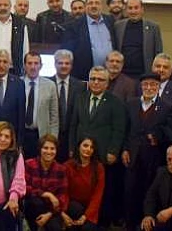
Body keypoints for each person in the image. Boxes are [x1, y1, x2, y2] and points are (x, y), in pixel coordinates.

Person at [68, 66, 125, 226]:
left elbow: (119, 129)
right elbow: (73, 125)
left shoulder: (115, 102)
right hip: (81, 154)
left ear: (107, 83)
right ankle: (83, 219)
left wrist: (113, 151)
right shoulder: (80, 98)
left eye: (100, 79)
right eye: (92, 79)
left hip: (103, 153)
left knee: (103, 191)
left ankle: (101, 223)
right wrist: (72, 148)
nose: (96, 82)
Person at [123, 73, 172, 229]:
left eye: (153, 84)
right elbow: (125, 129)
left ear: (158, 87)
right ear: (141, 86)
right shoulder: (131, 104)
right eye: (145, 84)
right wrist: (125, 149)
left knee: (149, 191)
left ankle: (146, 224)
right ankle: (130, 224)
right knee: (130, 192)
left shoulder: (166, 106)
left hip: (153, 158)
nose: (149, 87)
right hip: (132, 156)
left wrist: (158, 137)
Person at [62, 0, 117, 81]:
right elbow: (68, 52)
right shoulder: (74, 26)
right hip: (85, 75)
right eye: (90, 3)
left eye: (97, 3)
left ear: (101, 6)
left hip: (110, 74)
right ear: (86, 6)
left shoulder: (110, 21)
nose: (94, 6)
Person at [23, 134, 68, 231]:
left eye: (52, 149)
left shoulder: (61, 169)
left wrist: (49, 214)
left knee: (55, 228)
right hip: (32, 208)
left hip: (51, 210)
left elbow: (62, 195)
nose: (49, 152)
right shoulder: (29, 164)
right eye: (45, 148)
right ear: (40, 149)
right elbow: (24, 188)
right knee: (36, 202)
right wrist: (46, 194)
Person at [50, 49, 87, 162]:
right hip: (51, 135)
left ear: (71, 65)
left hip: (72, 136)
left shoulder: (80, 86)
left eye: (67, 63)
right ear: (55, 64)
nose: (63, 66)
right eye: (60, 63)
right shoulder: (46, 83)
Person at [21, 52, 59, 159]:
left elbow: (54, 117)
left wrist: (53, 140)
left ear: (41, 66)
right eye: (29, 63)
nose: (33, 67)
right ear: (24, 66)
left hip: (41, 135)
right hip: (21, 134)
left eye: (36, 63)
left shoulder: (50, 85)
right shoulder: (17, 83)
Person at [114, 0, 163, 77]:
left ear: (142, 9)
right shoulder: (118, 26)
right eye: (130, 8)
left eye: (136, 8)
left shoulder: (153, 27)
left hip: (145, 74)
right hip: (122, 74)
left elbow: (158, 52)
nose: (133, 11)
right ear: (126, 10)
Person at [63, 136, 104, 230]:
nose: (88, 149)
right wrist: (63, 213)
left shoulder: (99, 168)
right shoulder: (67, 166)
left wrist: (86, 215)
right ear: (79, 147)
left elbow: (98, 195)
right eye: (85, 145)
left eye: (91, 147)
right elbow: (64, 192)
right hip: (72, 206)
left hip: (91, 208)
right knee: (75, 209)